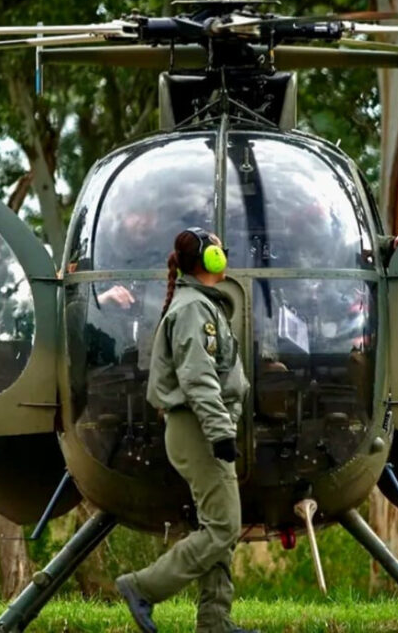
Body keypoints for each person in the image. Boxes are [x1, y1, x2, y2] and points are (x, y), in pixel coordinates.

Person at [116, 227, 255, 633]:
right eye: (219, 249)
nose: (225, 254)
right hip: (198, 429)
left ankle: (214, 621)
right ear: (210, 259)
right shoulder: (194, 309)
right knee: (224, 528)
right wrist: (220, 433)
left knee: (216, 525)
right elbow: (198, 378)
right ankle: (142, 587)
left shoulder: (201, 304)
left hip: (201, 427)